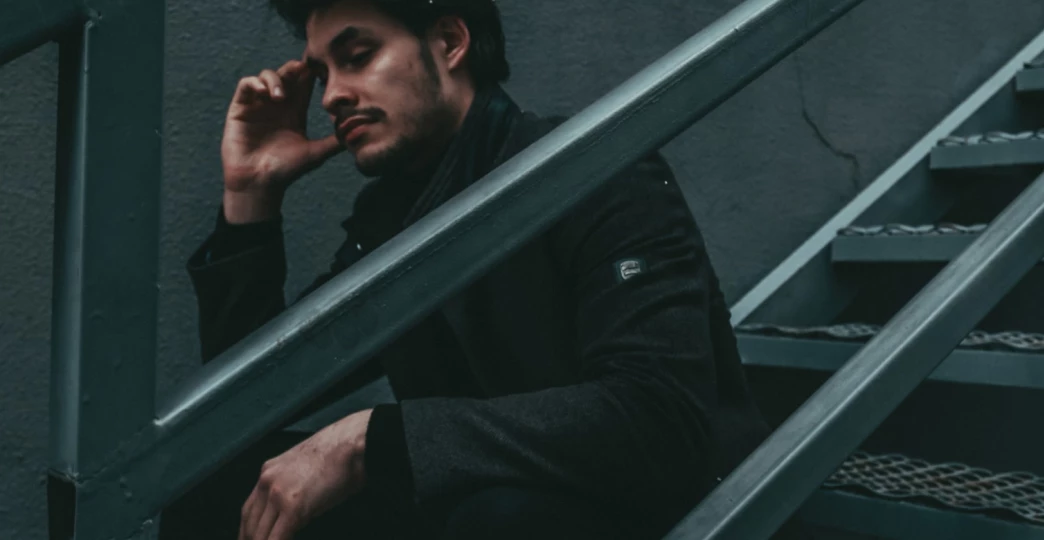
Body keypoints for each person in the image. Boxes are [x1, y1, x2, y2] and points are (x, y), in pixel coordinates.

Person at [158, 0, 778, 539]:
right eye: (322, 75)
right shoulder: (393, 221)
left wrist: (373, 439)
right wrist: (251, 195)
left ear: (451, 42)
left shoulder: (593, 170)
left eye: (358, 55)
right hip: (484, 506)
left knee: (504, 518)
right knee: (217, 485)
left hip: (657, 511)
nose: (332, 95)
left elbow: (658, 420)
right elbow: (250, 406)